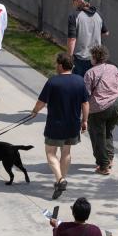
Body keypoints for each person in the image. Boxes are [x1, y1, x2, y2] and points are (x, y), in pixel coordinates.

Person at [28, 53, 89, 200]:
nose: (56, 66)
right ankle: (61, 179)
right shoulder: (80, 81)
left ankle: (60, 179)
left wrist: (34, 111)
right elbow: (85, 103)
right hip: (73, 124)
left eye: (57, 64)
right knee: (66, 152)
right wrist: (85, 121)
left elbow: (41, 102)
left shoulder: (53, 82)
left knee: (50, 153)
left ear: (61, 65)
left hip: (55, 125)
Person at [84, 45, 118, 176]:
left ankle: (103, 166)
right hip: (115, 104)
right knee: (108, 132)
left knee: (98, 136)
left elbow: (85, 94)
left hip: (98, 109)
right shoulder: (113, 68)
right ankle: (109, 158)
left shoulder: (90, 73)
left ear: (95, 58)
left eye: (91, 56)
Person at [67, 0, 108, 77]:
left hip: (80, 58)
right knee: (93, 85)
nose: (72, 1)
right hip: (97, 58)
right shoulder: (98, 15)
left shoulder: (74, 16)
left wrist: (69, 57)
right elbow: (106, 33)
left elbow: (72, 39)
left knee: (79, 84)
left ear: (79, 1)